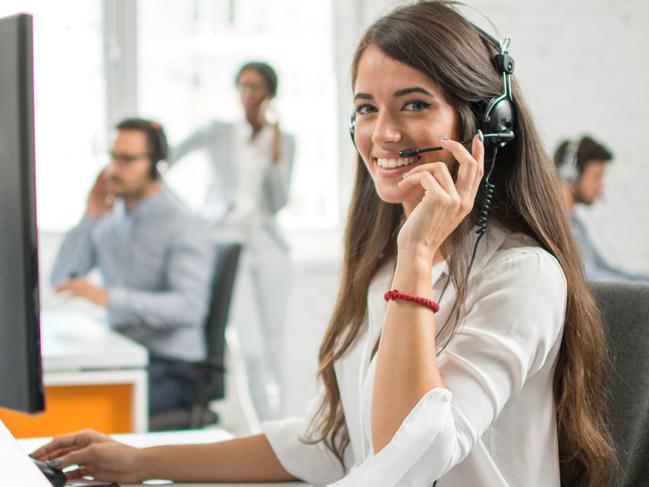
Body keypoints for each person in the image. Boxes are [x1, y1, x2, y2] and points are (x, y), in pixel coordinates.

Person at [34, 3, 616, 486]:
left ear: (486, 123)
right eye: (366, 108)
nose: (382, 134)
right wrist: (142, 463)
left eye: (414, 104)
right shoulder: (384, 263)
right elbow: (336, 444)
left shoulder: (523, 275)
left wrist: (416, 258)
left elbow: (401, 460)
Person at [50, 118, 215, 415]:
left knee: (80, 413)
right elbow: (61, 279)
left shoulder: (184, 224)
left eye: (126, 160)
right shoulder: (111, 218)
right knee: (53, 394)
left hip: (171, 367)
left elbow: (189, 307)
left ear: (155, 164)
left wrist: (109, 298)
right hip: (121, 354)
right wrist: (89, 216)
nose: (113, 170)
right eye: (112, 157)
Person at [168, 61, 295, 419]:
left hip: (267, 241)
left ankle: (282, 426)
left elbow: (279, 201)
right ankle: (261, 429)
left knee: (275, 344)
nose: (247, 95)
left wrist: (274, 158)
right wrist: (194, 216)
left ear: (269, 94)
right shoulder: (218, 131)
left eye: (254, 87)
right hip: (225, 238)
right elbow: (167, 159)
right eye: (241, 86)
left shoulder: (284, 140)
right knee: (249, 347)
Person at [555, 135, 649, 282]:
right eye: (596, 177)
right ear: (570, 175)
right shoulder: (560, 226)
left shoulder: (577, 225)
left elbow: (605, 269)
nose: (601, 186)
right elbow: (591, 278)